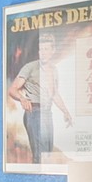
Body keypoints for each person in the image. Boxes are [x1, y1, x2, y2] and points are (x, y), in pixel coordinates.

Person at [7, 31, 73, 162]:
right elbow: (13, 89)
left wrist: (65, 111)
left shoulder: (54, 70)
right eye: (41, 49)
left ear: (52, 50)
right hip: (34, 112)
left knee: (48, 152)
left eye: (46, 49)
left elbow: (54, 93)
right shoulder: (30, 67)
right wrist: (22, 98)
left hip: (47, 113)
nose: (43, 52)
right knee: (40, 154)